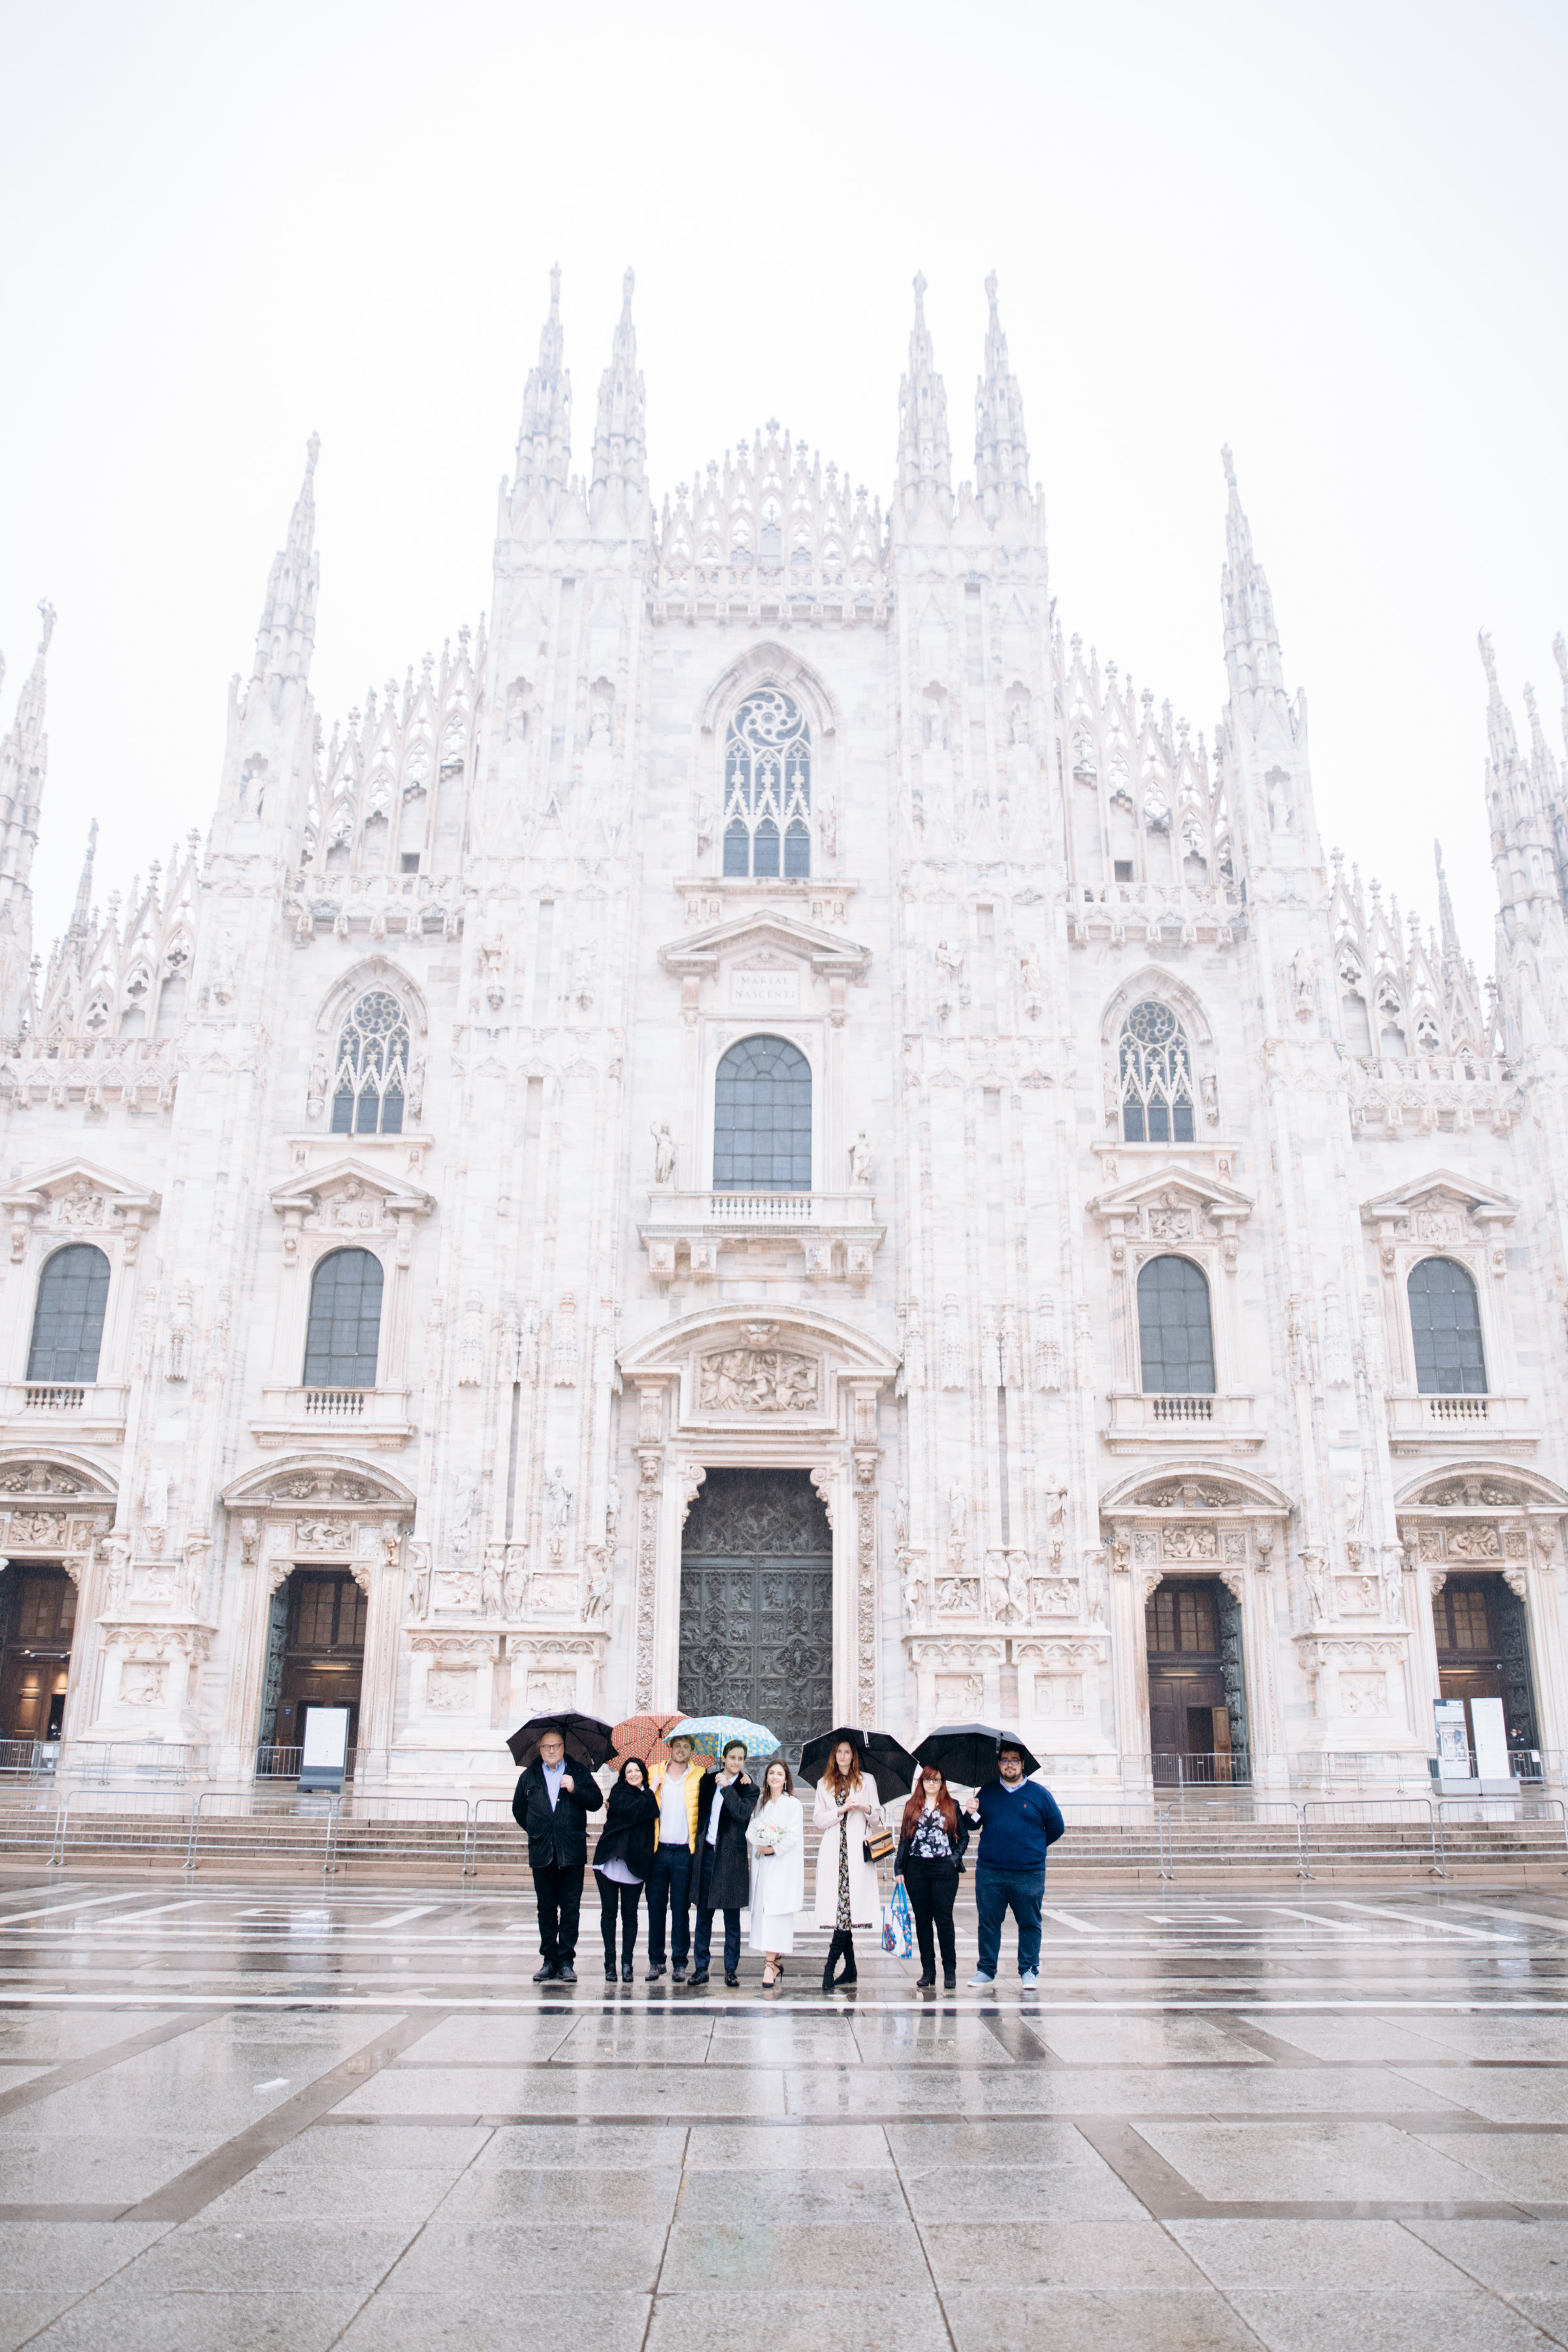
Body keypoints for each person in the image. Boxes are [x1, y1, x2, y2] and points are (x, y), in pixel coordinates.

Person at [964, 1742, 1064, 1988]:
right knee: (988, 1922)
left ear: (1022, 1764)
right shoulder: (986, 1792)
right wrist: (970, 1811)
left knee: (1030, 1922)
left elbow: (1056, 1827)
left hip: (1028, 1873)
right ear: (999, 1764)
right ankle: (986, 1969)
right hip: (991, 1871)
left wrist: (1034, 1848)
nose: (1010, 1764)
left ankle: (1029, 1969)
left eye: (1015, 1760)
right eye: (1005, 1760)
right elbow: (972, 1825)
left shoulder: (1039, 1794)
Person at [511, 1724, 604, 1982]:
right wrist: (537, 1830)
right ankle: (549, 1959)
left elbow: (596, 1802)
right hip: (542, 1852)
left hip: (571, 1850)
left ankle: (566, 1962)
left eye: (556, 1746)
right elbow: (519, 1810)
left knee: (571, 1907)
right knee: (546, 1908)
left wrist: (575, 1788)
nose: (552, 1751)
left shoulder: (577, 1771)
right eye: (547, 1747)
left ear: (564, 1748)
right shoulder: (529, 1776)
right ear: (540, 1749)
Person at [813, 1737, 881, 1991]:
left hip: (856, 1854)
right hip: (834, 1854)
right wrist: (840, 1811)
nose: (843, 1756)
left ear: (854, 1756)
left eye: (847, 1752)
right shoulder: (823, 1784)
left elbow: (877, 1819)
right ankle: (850, 1968)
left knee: (845, 1913)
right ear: (834, 1756)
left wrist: (864, 1806)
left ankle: (830, 1967)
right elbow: (819, 1820)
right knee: (844, 1913)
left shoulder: (867, 1781)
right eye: (839, 1752)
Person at [894, 1764, 970, 1990]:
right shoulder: (911, 1806)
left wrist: (954, 1859)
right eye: (927, 1780)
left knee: (944, 1920)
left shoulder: (951, 1806)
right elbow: (904, 1840)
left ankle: (950, 1970)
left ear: (942, 1783)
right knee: (923, 1920)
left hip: (944, 1868)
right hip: (916, 1868)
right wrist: (899, 1869)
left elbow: (964, 1837)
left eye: (936, 1780)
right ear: (922, 1782)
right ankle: (928, 1970)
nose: (931, 1784)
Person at [691, 1739, 758, 1987]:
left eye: (741, 1759)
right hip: (707, 1854)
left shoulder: (749, 1788)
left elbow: (742, 1814)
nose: (736, 1763)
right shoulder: (708, 1781)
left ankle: (731, 1969)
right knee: (703, 1916)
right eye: (732, 1758)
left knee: (732, 1919)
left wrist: (728, 1788)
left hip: (732, 1858)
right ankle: (701, 1967)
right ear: (724, 1758)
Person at [593, 1757, 659, 1983]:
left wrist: (652, 1793)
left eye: (637, 1770)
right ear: (624, 1774)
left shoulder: (649, 1794)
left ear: (643, 1772)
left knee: (630, 1916)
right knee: (609, 1912)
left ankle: (627, 1963)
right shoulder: (619, 1792)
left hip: (636, 1862)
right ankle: (610, 1963)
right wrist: (652, 1791)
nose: (633, 1774)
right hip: (611, 1860)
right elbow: (634, 1812)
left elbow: (651, 1814)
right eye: (629, 1771)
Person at [645, 1732, 701, 1982]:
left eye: (686, 1746)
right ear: (669, 1748)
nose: (681, 1750)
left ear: (692, 1751)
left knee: (681, 1909)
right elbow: (635, 1797)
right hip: (658, 1851)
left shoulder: (700, 1775)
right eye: (677, 1745)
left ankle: (680, 1961)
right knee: (655, 1908)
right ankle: (656, 1961)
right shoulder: (652, 1772)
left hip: (684, 1853)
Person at [745, 1756, 804, 1986]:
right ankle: (775, 1961)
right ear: (766, 1778)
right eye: (771, 1774)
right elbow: (753, 1827)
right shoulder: (761, 1802)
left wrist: (773, 1848)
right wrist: (758, 1841)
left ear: (786, 1779)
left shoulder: (793, 1804)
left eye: (780, 1774)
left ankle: (769, 1966)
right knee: (765, 1914)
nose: (775, 1777)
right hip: (762, 1865)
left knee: (776, 1914)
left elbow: (793, 1836)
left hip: (781, 1865)